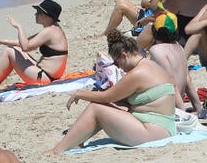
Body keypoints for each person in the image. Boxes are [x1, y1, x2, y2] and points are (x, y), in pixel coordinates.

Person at [48, 30, 177, 154]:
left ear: (123, 55)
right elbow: (115, 98)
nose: (117, 66)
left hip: (155, 132)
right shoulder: (150, 65)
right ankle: (77, 140)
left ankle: (57, 151)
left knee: (96, 108)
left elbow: (107, 97)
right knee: (107, 106)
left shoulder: (137, 74)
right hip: (164, 127)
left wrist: (79, 94)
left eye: (116, 62)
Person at [0, 0, 68, 87]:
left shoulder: (49, 31)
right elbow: (25, 42)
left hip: (44, 78)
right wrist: (0, 41)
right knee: (14, 49)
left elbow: (26, 47)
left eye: (38, 12)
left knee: (8, 51)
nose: (35, 14)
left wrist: (19, 27)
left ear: (46, 17)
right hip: (48, 75)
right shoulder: (54, 29)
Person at [147, 11, 202, 115]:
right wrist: (198, 108)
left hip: (168, 107)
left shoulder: (156, 49)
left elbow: (171, 83)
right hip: (176, 103)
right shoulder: (179, 47)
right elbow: (187, 80)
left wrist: (182, 113)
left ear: (154, 30)